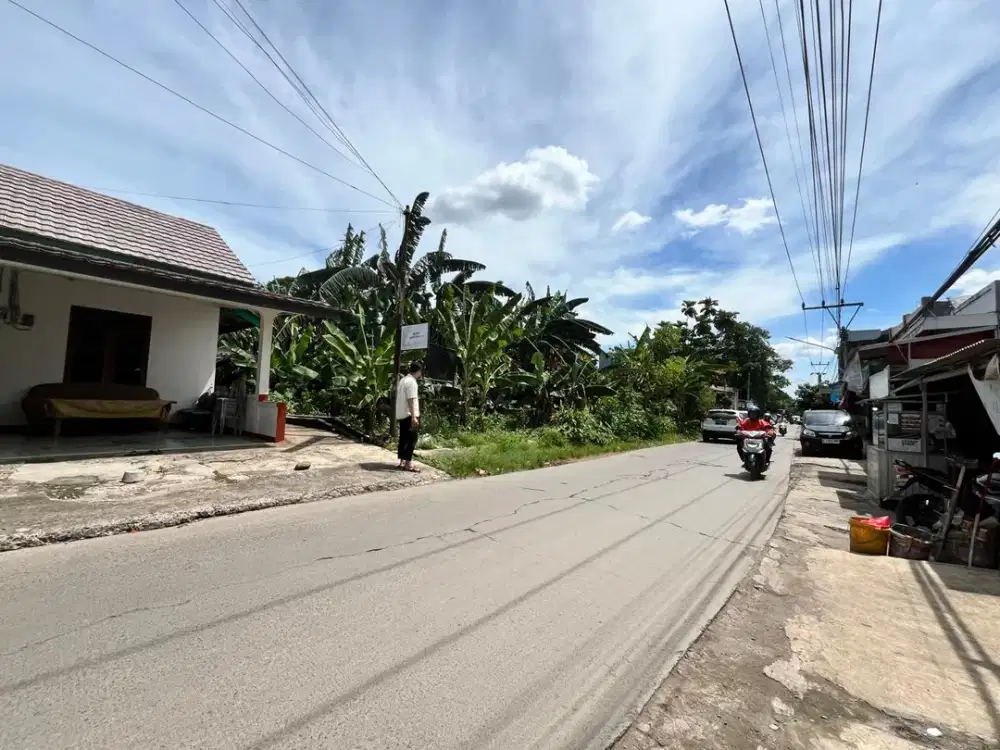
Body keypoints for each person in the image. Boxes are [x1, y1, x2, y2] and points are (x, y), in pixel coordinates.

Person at [396, 360, 424, 472]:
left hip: (401, 414)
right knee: (412, 439)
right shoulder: (412, 382)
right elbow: (411, 399)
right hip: (408, 415)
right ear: (419, 371)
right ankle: (408, 464)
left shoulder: (403, 380)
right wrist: (413, 416)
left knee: (403, 438)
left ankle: (402, 461)